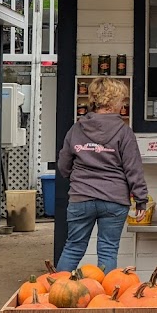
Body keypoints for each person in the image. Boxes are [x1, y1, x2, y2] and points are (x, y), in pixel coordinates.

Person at [56, 77, 148, 273]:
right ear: (113, 102)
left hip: (81, 198)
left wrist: (80, 180)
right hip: (114, 199)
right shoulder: (124, 132)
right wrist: (141, 200)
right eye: (122, 100)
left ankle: (58, 293)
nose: (123, 104)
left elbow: (63, 166)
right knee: (108, 250)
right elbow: (133, 168)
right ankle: (105, 297)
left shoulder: (76, 129)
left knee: (73, 248)